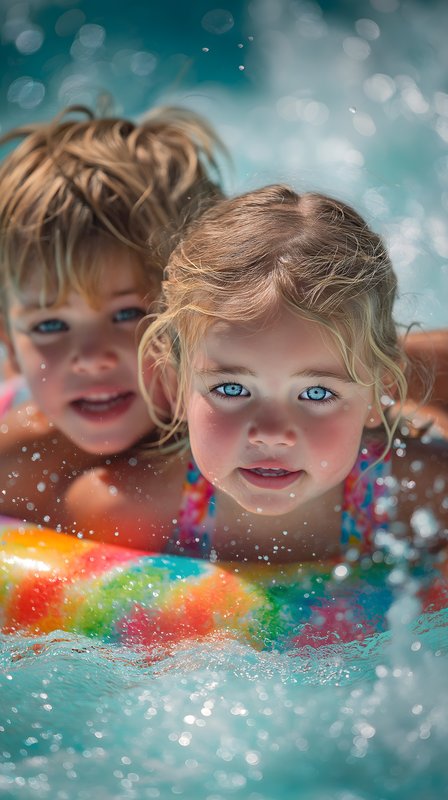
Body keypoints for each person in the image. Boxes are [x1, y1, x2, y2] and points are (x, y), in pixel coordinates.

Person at [134, 184, 448, 563]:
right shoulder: (138, 508)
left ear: (376, 395)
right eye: (232, 388)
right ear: (176, 385)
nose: (271, 433)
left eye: (316, 393)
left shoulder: (420, 494)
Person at [0, 104, 224, 543]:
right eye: (49, 326)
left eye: (128, 314)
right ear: (8, 338)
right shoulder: (19, 462)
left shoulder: (271, 409)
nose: (90, 358)